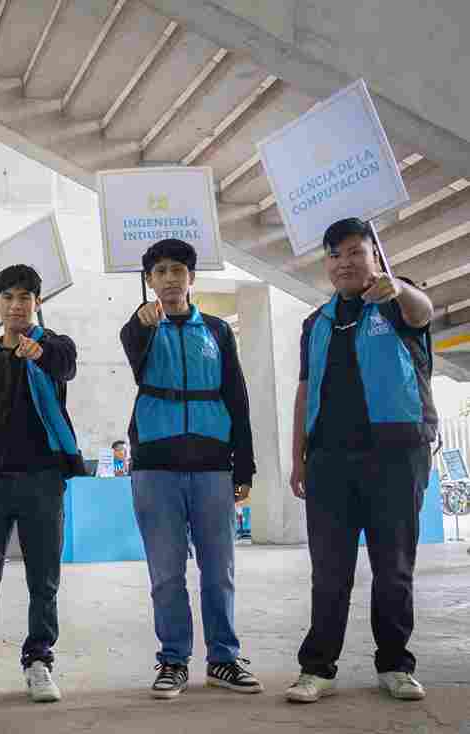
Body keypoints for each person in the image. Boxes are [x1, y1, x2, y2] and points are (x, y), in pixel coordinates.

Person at [286, 218, 437, 704]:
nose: (344, 262)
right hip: (329, 460)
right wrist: (298, 458)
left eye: (355, 252)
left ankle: (395, 664)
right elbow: (305, 392)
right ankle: (317, 668)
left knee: (393, 565)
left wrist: (397, 290)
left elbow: (423, 311)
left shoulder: (397, 301)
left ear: (374, 256)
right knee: (329, 570)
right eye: (334, 255)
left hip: (396, 455)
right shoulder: (317, 322)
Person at [120, 238, 260, 700]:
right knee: (166, 572)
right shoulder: (137, 329)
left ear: (192, 278)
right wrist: (143, 325)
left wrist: (246, 464)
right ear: (149, 281)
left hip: (212, 466)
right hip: (155, 469)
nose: (169, 278)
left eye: (177, 269)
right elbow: (137, 360)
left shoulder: (218, 331)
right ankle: (173, 660)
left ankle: (223, 658)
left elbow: (236, 398)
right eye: (159, 271)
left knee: (219, 569)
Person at [0, 264, 85, 709]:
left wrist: (40, 351)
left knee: (44, 579)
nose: (17, 305)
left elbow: (65, 364)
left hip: (42, 480)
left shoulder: (52, 347)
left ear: (37, 304)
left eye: (25, 297)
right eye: (8, 297)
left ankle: (39, 660)